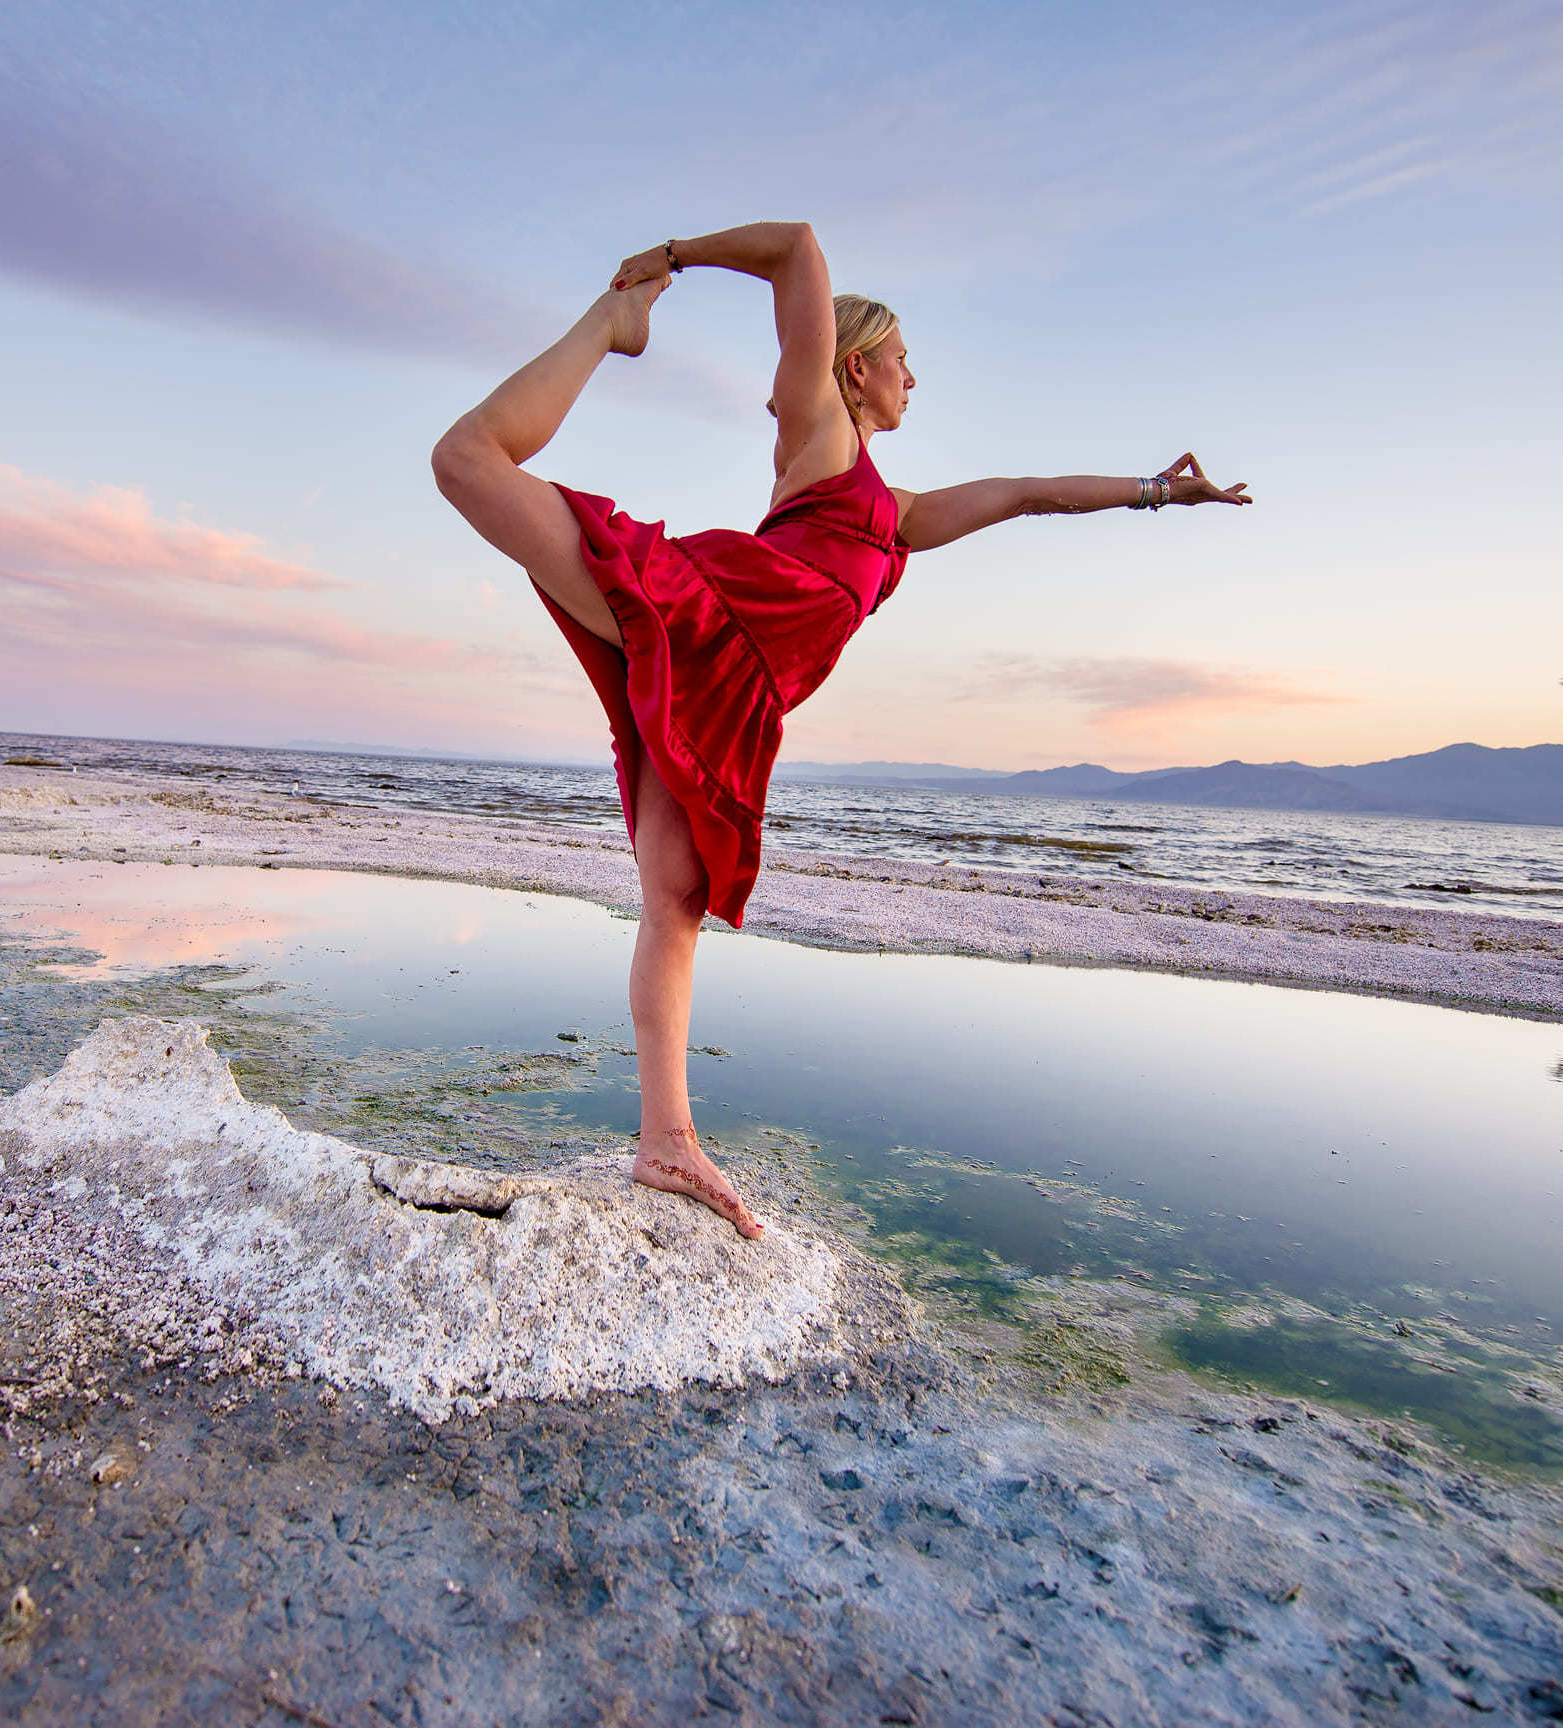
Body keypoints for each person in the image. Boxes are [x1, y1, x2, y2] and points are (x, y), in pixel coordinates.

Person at [430, 222, 1251, 1237]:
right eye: (904, 360)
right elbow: (798, 250)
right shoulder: (817, 431)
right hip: (697, 609)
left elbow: (1030, 495)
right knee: (466, 459)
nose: (916, 377)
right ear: (856, 368)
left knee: (673, 903)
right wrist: (669, 261)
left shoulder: (895, 512)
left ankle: (665, 1141)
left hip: (733, 692)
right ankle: (608, 326)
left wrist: (1160, 491)